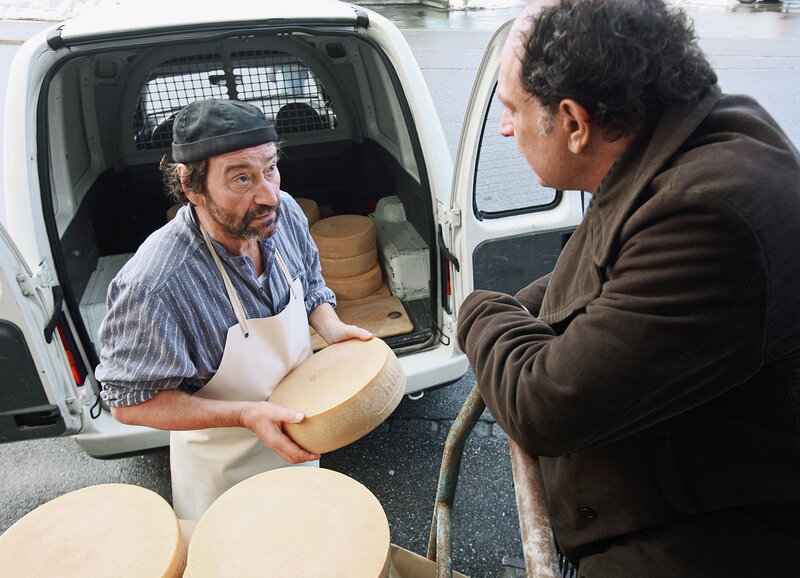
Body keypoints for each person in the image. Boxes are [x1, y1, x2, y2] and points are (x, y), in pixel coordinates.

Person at [456, 0, 800, 575]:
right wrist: (521, 313)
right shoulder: (673, 145)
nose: (505, 126)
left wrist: (478, 306)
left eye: (513, 107)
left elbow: (542, 405)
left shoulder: (709, 211)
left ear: (573, 122)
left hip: (705, 544)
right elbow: (593, 279)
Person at [96, 99, 371, 520]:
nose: (268, 194)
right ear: (192, 187)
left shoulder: (286, 213)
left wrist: (331, 327)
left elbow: (311, 283)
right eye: (242, 178)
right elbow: (129, 402)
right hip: (223, 480)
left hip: (300, 444)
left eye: (271, 168)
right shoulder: (155, 284)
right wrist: (245, 414)